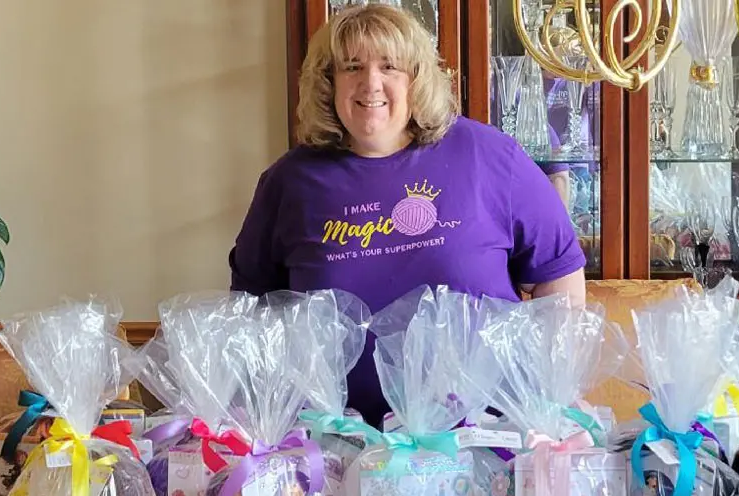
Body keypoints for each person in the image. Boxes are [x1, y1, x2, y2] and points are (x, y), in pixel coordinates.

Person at [228, 5, 586, 427]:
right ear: (328, 83)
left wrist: (554, 389)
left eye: (390, 67)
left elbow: (558, 270)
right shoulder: (289, 183)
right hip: (339, 443)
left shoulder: (488, 156)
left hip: (486, 440)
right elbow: (252, 311)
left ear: (417, 78)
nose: (370, 83)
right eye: (352, 67)